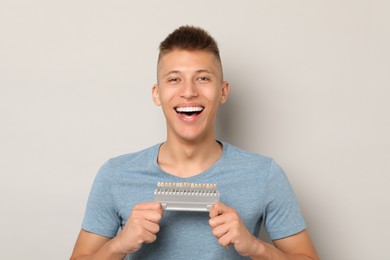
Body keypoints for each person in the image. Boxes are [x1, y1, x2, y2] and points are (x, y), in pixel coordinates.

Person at [70, 25, 319, 260]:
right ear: (157, 93)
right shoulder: (115, 175)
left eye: (202, 78)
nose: (188, 92)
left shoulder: (264, 174)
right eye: (174, 79)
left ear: (223, 91)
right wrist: (119, 245)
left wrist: (256, 247)